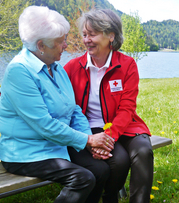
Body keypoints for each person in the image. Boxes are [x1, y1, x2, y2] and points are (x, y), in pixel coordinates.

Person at [0, 6, 114, 203]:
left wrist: (90, 140)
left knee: (101, 170)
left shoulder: (55, 67)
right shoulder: (20, 71)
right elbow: (44, 125)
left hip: (57, 145)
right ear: (41, 45)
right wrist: (87, 140)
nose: (66, 45)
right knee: (82, 179)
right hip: (26, 153)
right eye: (61, 42)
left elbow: (74, 109)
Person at [63, 9, 154, 203]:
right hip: (91, 127)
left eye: (93, 34)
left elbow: (127, 108)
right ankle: (109, 196)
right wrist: (4, 95)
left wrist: (110, 137)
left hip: (125, 124)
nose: (87, 40)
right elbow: (45, 84)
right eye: (85, 34)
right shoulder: (73, 67)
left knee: (143, 151)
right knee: (119, 160)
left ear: (111, 35)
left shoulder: (127, 64)